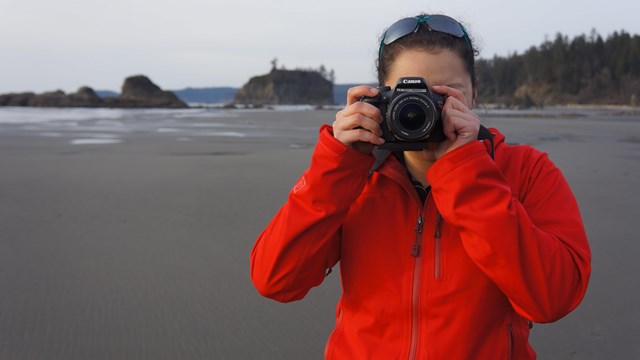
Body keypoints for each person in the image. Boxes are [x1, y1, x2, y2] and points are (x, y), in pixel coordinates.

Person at [250, 13, 591, 359]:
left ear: (474, 94)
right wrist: (337, 164)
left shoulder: (527, 171)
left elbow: (554, 298)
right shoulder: (354, 176)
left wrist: (467, 173)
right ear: (379, 95)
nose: (423, 108)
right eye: (409, 94)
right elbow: (276, 279)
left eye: (447, 94)